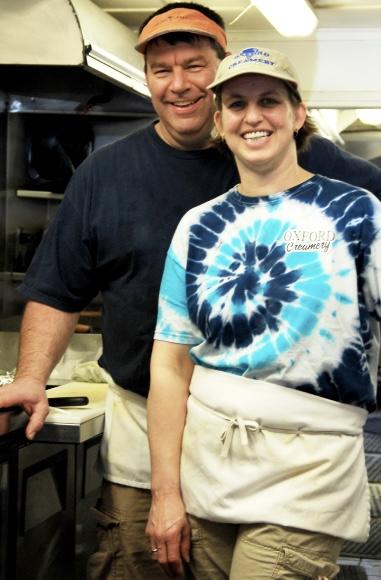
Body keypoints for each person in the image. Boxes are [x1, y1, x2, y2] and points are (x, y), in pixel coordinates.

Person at [0, 3, 380, 579]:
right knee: (138, 562)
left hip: (286, 446)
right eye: (161, 69)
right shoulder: (110, 176)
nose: (179, 84)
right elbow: (58, 290)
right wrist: (30, 377)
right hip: (144, 420)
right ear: (148, 79)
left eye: (196, 65)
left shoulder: (322, 172)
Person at [146, 46, 380, 580]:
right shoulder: (198, 226)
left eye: (269, 101)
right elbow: (170, 364)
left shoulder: (356, 214)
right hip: (208, 468)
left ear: (298, 115)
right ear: (220, 121)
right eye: (236, 104)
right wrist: (165, 494)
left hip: (308, 471)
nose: (253, 117)